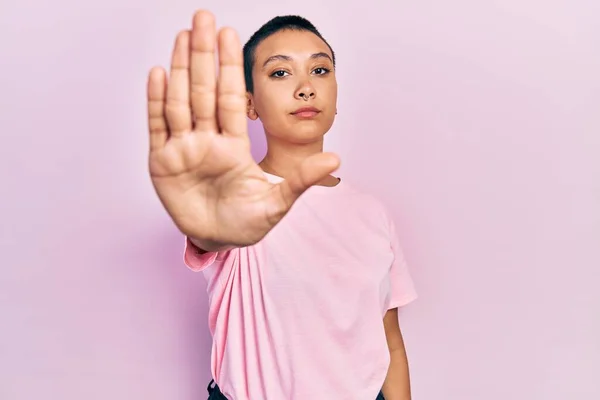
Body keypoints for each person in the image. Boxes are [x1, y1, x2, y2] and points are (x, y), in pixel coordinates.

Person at [146, 9, 417, 400]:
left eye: (320, 71)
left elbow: (389, 340)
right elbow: (211, 234)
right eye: (280, 72)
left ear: (337, 96)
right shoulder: (236, 197)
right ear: (250, 104)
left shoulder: (373, 212)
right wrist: (209, 225)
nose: (306, 87)